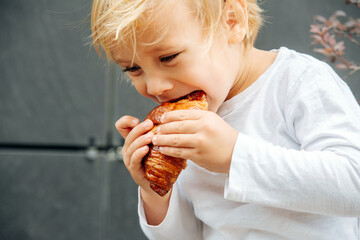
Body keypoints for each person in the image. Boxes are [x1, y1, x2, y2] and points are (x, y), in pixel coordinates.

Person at [90, 0, 360, 239]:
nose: (155, 86)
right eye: (133, 68)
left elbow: (353, 183)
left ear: (232, 22)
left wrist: (234, 157)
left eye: (168, 57)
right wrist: (155, 192)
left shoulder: (297, 82)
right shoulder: (185, 125)